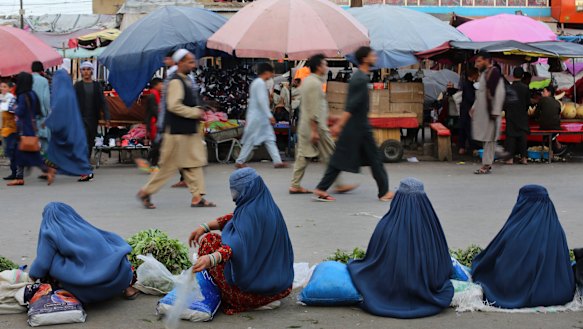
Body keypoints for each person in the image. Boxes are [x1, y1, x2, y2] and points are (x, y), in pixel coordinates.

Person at [188, 168, 294, 314]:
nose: (234, 196)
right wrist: (205, 226)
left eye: (236, 191)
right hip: (281, 289)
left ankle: (241, 301)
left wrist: (210, 259)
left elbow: (234, 246)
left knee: (209, 241)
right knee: (212, 237)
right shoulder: (266, 206)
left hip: (253, 294)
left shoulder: (251, 214)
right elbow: (234, 219)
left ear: (247, 189)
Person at [348, 178, 454, 318]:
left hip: (387, 292)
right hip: (429, 289)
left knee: (357, 268)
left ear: (398, 197)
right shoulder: (432, 227)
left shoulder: (385, 227)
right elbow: (444, 265)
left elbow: (373, 261)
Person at [472, 185, 575, 309]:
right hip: (558, 293)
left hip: (512, 293)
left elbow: (495, 256)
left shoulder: (516, 230)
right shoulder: (556, 229)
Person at [137, 49, 215, 209]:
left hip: (187, 131)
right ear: (180, 63)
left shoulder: (186, 80)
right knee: (168, 168)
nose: (192, 65)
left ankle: (197, 197)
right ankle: (146, 191)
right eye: (189, 62)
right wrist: (195, 112)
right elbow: (174, 106)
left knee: (194, 163)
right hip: (176, 133)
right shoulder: (175, 82)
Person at [313, 47, 393, 202]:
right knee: (374, 159)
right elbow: (351, 106)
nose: (375, 57)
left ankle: (321, 188)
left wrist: (339, 122)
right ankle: (384, 192)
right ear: (364, 59)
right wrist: (339, 125)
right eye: (372, 55)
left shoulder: (360, 77)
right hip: (359, 127)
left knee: (341, 159)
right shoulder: (360, 79)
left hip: (357, 126)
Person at [29, 202, 138, 303]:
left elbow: (41, 264)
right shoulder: (85, 227)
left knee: (52, 258)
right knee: (114, 252)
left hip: (89, 291)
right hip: (116, 282)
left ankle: (67, 291)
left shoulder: (50, 231)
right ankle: (128, 288)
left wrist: (30, 278)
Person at [289, 54, 356, 195]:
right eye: (325, 64)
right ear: (319, 67)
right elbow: (314, 110)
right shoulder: (314, 84)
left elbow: (317, 107)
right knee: (330, 154)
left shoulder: (309, 81)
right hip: (316, 127)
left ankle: (295, 185)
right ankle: (338, 184)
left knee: (303, 156)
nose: (327, 67)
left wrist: (334, 117)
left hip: (308, 125)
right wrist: (314, 130)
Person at [43, 70, 93, 185]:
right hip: (72, 127)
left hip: (60, 128)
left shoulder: (58, 94)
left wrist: (48, 122)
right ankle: (84, 171)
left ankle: (52, 170)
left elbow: (55, 111)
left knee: (55, 150)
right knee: (78, 150)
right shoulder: (70, 93)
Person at [235, 63, 287, 169]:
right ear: (266, 72)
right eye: (271, 72)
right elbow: (262, 101)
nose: (272, 75)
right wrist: (269, 115)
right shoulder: (259, 84)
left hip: (259, 117)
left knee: (269, 138)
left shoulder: (257, 83)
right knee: (254, 139)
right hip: (258, 117)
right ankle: (240, 161)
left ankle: (277, 161)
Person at [8, 72, 48, 187]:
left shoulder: (22, 96)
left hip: (23, 128)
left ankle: (47, 170)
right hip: (31, 126)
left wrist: (13, 107)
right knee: (27, 152)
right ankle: (20, 176)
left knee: (23, 152)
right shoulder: (32, 94)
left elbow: (19, 111)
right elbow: (37, 110)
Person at [471, 53, 506, 175]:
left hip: (491, 112)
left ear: (487, 61)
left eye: (479, 61)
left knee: (490, 139)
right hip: (484, 112)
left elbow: (499, 92)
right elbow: (481, 92)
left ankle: (486, 164)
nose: (477, 64)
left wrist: (495, 111)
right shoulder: (485, 74)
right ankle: (488, 161)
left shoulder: (494, 73)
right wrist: (474, 107)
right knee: (487, 138)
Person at [74, 61, 110, 165]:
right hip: (81, 118)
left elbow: (103, 102)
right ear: (81, 71)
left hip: (93, 118)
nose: (86, 72)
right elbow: (72, 102)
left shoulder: (97, 85)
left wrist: (107, 118)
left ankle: (86, 160)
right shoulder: (78, 86)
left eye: (88, 69)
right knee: (83, 140)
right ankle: (83, 163)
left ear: (91, 71)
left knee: (90, 141)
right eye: (84, 69)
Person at [135, 78, 163, 173]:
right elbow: (154, 110)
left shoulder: (157, 95)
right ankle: (148, 162)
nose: (162, 86)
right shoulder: (152, 96)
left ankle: (154, 164)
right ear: (156, 85)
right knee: (156, 144)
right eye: (161, 84)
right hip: (154, 123)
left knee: (157, 144)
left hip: (156, 122)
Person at [504, 67, 530, 165]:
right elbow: (528, 103)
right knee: (522, 136)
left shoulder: (508, 88)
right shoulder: (525, 88)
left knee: (510, 136)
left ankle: (510, 159)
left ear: (513, 76)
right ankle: (524, 158)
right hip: (522, 115)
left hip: (510, 115)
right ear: (522, 76)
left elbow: (505, 103)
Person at [536, 85, 566, 154]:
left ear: (549, 92)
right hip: (556, 127)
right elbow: (558, 114)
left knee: (547, 128)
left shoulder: (542, 100)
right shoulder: (557, 103)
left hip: (544, 126)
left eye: (544, 91)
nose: (542, 93)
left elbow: (536, 113)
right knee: (552, 132)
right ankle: (557, 147)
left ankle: (554, 149)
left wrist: (537, 118)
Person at [458, 67, 480, 155]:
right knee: (469, 130)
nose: (478, 75)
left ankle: (462, 148)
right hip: (468, 111)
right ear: (473, 75)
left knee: (464, 130)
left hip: (464, 110)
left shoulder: (467, 84)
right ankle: (472, 148)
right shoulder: (469, 85)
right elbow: (470, 98)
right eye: (477, 74)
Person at [31, 61, 51, 155]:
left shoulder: (28, 79)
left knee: (32, 135)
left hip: (30, 113)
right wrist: (48, 111)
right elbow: (46, 98)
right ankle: (45, 157)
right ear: (41, 70)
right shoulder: (44, 81)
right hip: (41, 112)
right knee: (44, 137)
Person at [1, 81, 18, 181]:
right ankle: (14, 171)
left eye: (4, 86)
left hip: (10, 128)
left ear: (9, 88)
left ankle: (15, 171)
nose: (2, 88)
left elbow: (12, 111)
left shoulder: (11, 98)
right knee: (7, 150)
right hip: (3, 128)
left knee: (10, 150)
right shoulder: (1, 98)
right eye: (1, 87)